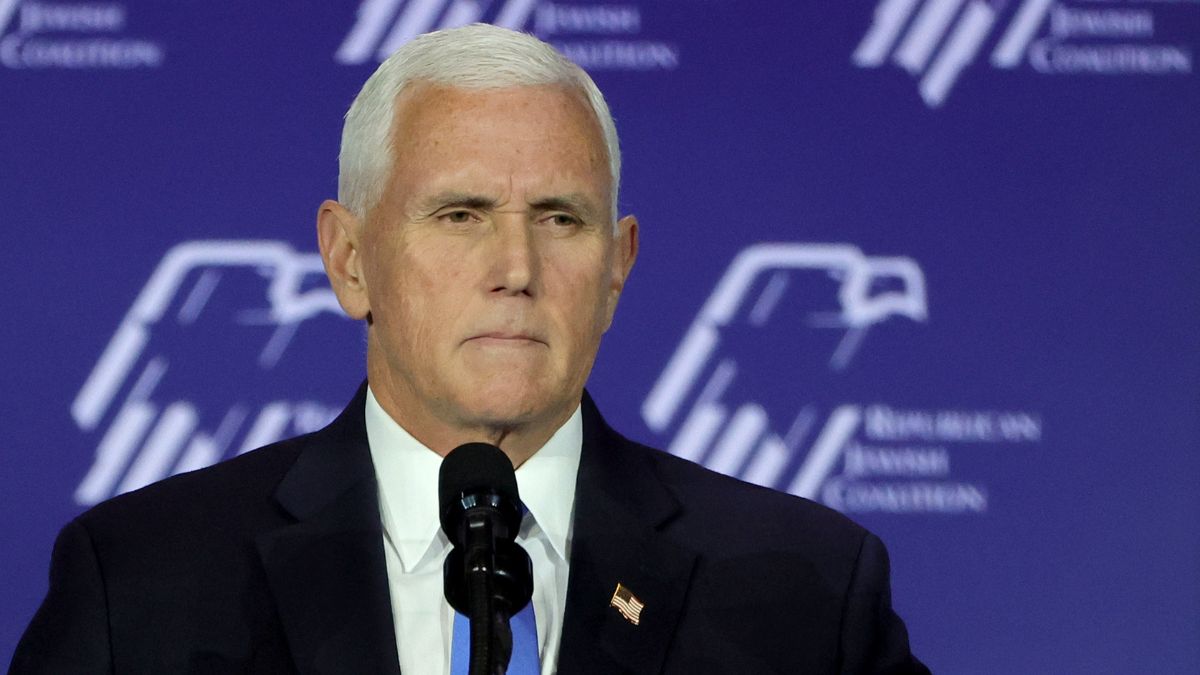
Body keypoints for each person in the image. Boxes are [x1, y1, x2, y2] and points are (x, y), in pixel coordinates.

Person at [11, 24, 928, 674]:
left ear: (617, 269)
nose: (516, 269)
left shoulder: (808, 598)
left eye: (560, 219)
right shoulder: (142, 584)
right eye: (460, 215)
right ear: (350, 260)